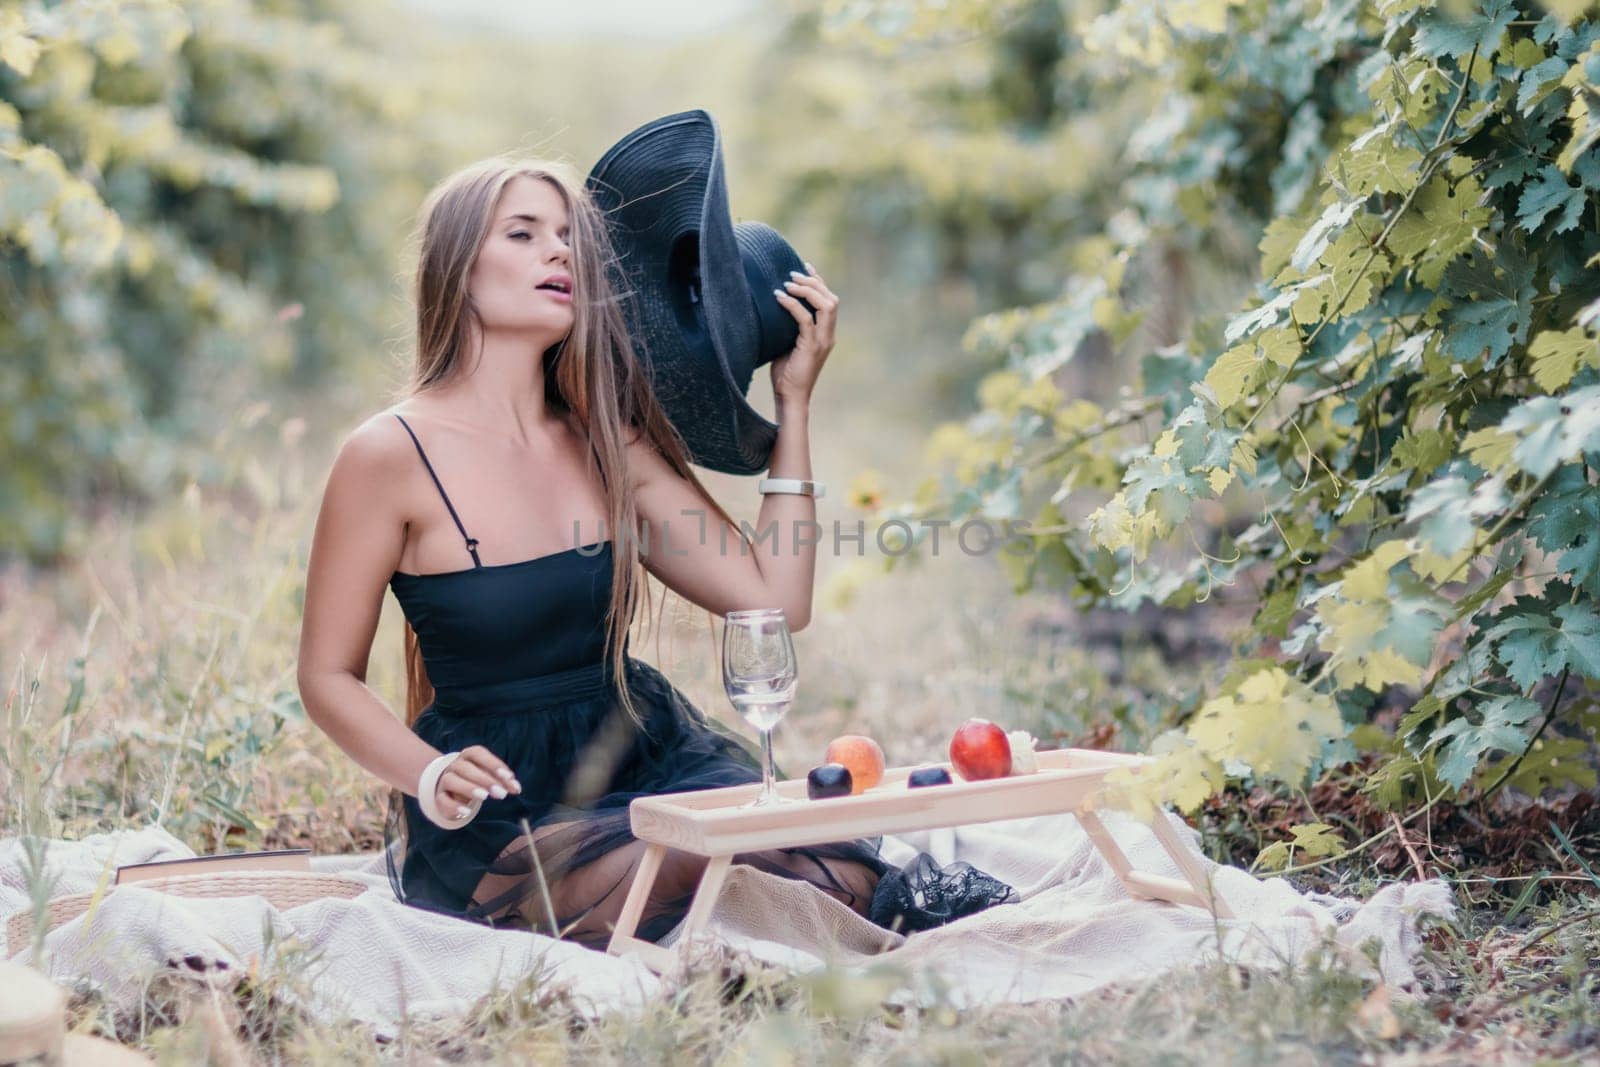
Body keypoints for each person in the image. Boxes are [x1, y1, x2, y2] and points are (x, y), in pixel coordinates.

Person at [294, 155, 888, 949]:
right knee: (682, 856)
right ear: (458, 268)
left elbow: (775, 602)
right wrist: (425, 773)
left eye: (571, 238)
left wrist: (793, 404)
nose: (560, 253)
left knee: (839, 865)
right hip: (503, 807)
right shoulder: (385, 455)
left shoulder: (607, 439)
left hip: (646, 752)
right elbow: (326, 675)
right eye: (525, 232)